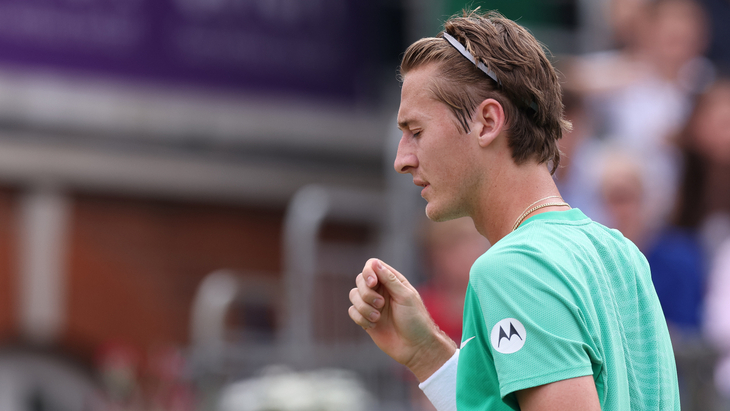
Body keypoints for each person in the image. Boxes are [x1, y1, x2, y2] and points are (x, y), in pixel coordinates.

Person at [347, 10, 680, 411]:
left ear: (488, 121)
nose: (402, 159)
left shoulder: (513, 268)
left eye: (416, 131)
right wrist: (427, 354)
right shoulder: (621, 252)